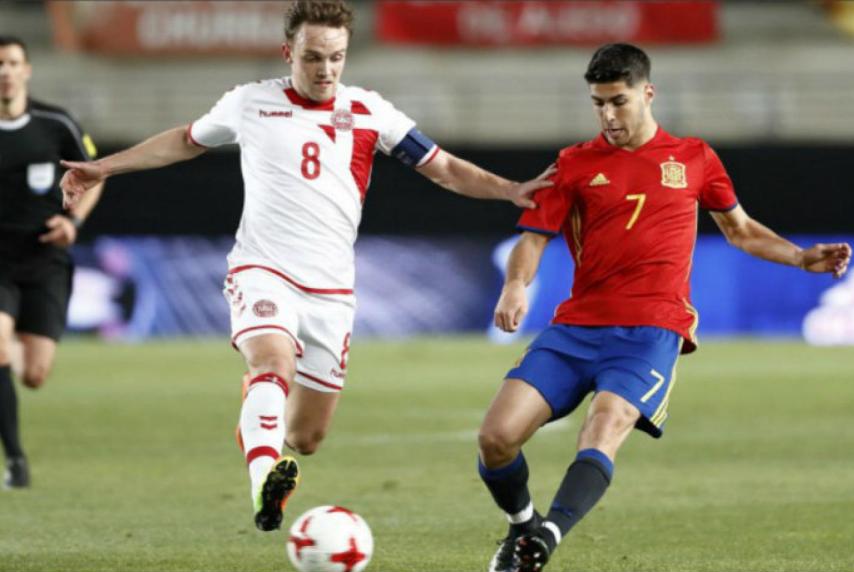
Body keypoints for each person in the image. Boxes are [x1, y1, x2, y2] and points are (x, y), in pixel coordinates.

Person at [60, 0, 551, 530]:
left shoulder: (369, 111)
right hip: (262, 269)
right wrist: (103, 168)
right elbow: (184, 141)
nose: (325, 70)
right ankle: (263, 488)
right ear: (287, 52)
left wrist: (509, 189)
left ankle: (260, 430)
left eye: (336, 58)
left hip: (332, 292)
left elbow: (445, 169)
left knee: (307, 437)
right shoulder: (250, 102)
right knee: (272, 363)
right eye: (313, 58)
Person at [478, 43, 852, 572]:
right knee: (495, 438)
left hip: (651, 331)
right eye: (598, 103)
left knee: (605, 424)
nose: (608, 115)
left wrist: (798, 256)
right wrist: (516, 284)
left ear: (647, 93)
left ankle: (547, 540)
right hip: (577, 327)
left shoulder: (695, 158)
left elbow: (740, 230)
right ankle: (522, 528)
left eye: (619, 101)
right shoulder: (574, 164)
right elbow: (534, 238)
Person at [0, 35, 103, 489]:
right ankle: (17, 461)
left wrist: (73, 223)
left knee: (35, 374)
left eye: (12, 63)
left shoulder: (54, 123)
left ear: (27, 70)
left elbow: (93, 176)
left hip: (45, 258)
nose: (5, 71)